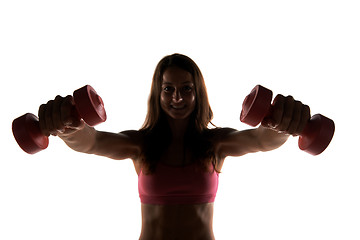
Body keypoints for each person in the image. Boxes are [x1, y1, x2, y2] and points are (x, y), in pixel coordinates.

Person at [38, 53, 310, 240]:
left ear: (198, 92)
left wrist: (281, 125)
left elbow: (260, 140)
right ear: (158, 93)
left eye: (186, 88)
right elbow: (93, 141)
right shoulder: (140, 145)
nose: (177, 97)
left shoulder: (216, 144)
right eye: (168, 89)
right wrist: (71, 128)